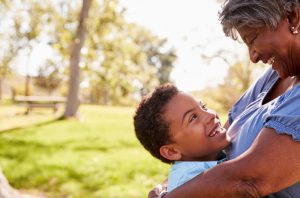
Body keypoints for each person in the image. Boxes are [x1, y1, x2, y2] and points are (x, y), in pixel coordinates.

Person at [150, 0, 300, 197]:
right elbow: (203, 150)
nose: (253, 57)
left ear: (292, 18)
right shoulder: (276, 76)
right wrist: (166, 187)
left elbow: (249, 180)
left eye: (253, 39)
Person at [133, 84, 229, 192]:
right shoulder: (190, 184)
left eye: (203, 106)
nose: (210, 115)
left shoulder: (208, 157)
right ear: (172, 151)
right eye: (193, 117)